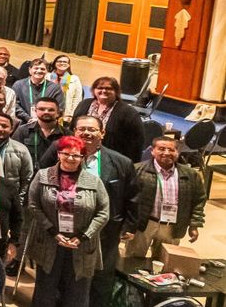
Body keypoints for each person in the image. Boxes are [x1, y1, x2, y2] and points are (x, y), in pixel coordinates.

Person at [36, 114, 138, 305]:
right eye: (81, 129)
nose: (86, 133)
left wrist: (129, 226)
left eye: (92, 129)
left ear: (102, 133)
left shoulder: (121, 163)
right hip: (61, 232)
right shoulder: (57, 151)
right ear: (74, 131)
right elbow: (41, 181)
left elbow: (132, 196)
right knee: (61, 279)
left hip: (103, 233)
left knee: (99, 280)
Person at [25, 135, 109, 307]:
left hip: (81, 245)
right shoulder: (42, 176)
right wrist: (53, 232)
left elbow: (103, 213)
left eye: (76, 155)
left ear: (82, 157)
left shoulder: (94, 181)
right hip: (49, 242)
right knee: (45, 291)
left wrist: (83, 236)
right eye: (66, 153)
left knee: (77, 294)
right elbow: (33, 206)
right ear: (58, 154)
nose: (71, 158)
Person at [126, 135, 206, 258]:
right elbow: (127, 199)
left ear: (178, 152)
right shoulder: (137, 170)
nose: (167, 153)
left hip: (172, 226)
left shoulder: (191, 175)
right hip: (144, 226)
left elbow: (198, 201)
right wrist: (127, 226)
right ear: (152, 151)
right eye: (162, 149)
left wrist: (194, 225)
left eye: (171, 150)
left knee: (165, 265)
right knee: (132, 262)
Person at [72, 76, 144, 162]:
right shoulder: (84, 104)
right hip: (80, 153)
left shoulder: (128, 113)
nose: (104, 91)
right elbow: (72, 128)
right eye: (100, 88)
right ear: (94, 90)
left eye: (108, 88)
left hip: (111, 159)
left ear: (116, 92)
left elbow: (136, 143)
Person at [11, 96, 65, 169]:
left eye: (51, 110)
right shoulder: (22, 131)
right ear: (35, 111)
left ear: (58, 113)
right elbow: (13, 157)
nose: (46, 112)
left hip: (56, 177)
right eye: (42, 109)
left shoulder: (67, 134)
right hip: (28, 177)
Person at [13, 59, 64, 124]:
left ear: (47, 71)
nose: (39, 71)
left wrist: (42, 119)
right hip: (23, 124)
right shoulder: (18, 85)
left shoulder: (55, 88)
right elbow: (15, 105)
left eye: (42, 69)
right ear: (30, 70)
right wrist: (28, 118)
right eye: (36, 68)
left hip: (47, 124)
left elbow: (59, 108)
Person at [48, 55, 83, 123]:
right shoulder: (47, 76)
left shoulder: (74, 79)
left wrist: (71, 115)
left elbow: (77, 99)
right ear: (54, 63)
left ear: (69, 65)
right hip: (48, 110)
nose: (62, 63)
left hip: (65, 115)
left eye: (65, 62)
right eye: (59, 61)